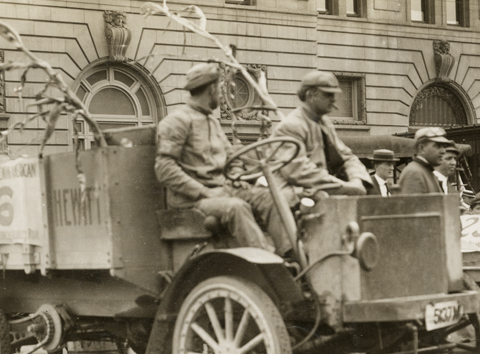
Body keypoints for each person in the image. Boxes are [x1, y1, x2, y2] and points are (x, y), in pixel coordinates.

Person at [155, 63, 291, 255]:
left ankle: (290, 254)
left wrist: (236, 177)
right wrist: (203, 192)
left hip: (222, 189)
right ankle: (268, 263)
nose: (221, 95)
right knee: (237, 208)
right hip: (192, 200)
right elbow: (164, 168)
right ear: (211, 89)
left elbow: (232, 158)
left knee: (269, 197)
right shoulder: (177, 121)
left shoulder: (212, 121)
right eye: (220, 89)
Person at [273, 70, 372, 201]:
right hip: (293, 194)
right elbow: (297, 171)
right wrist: (344, 186)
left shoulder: (325, 123)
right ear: (310, 95)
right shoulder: (292, 126)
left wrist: (356, 179)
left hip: (320, 190)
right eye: (328, 94)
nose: (334, 99)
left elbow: (347, 156)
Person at [396, 127, 451, 195]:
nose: (443, 151)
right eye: (438, 146)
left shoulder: (425, 171)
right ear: (422, 148)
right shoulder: (414, 172)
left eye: (444, 146)